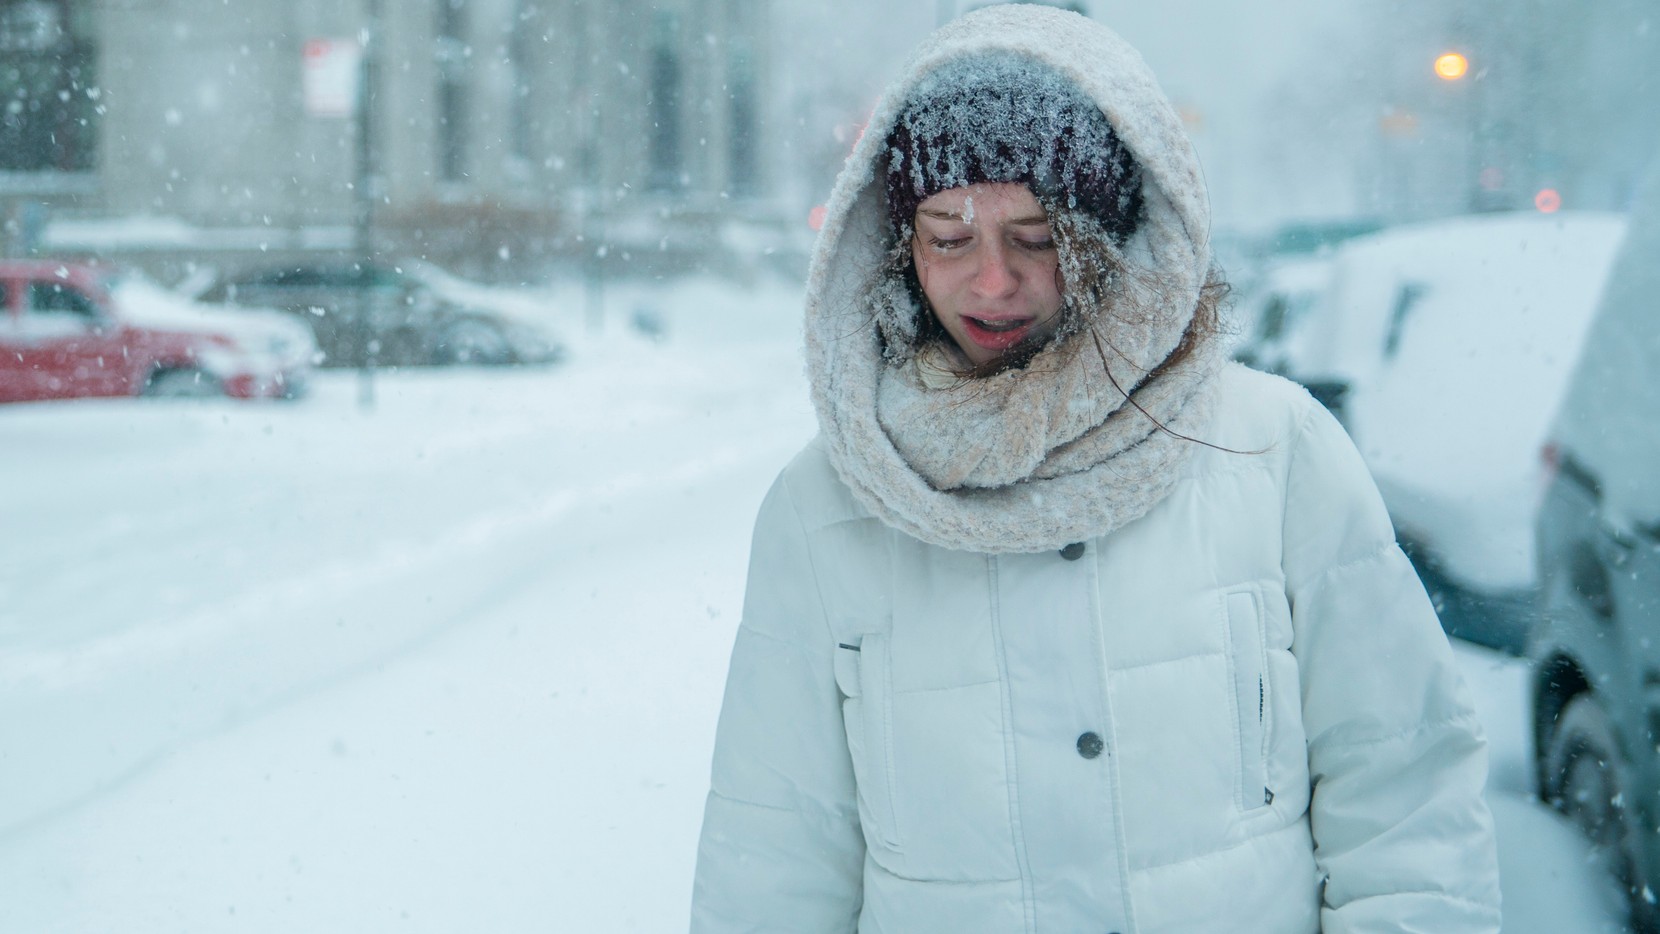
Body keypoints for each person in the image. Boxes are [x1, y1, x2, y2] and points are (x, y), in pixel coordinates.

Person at [690, 6, 1501, 933]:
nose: (993, 281)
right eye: (949, 237)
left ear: (1105, 238)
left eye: (1036, 237)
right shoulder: (825, 508)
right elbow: (775, 859)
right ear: (901, 249)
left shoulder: (1271, 452)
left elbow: (1403, 795)